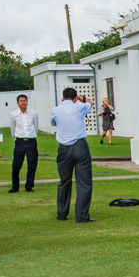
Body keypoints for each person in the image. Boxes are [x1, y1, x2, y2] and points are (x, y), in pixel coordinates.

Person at [52, 88, 95, 223]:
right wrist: (81, 98)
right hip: (79, 146)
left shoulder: (56, 110)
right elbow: (91, 103)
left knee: (64, 181)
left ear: (63, 97)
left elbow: (53, 123)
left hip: (64, 148)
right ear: (75, 98)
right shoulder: (80, 107)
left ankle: (62, 213)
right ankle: (82, 216)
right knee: (84, 182)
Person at [9, 94, 38, 193]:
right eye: (21, 101)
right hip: (20, 141)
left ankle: (29, 186)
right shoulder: (14, 114)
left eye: (25, 100)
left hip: (31, 141)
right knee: (16, 165)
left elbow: (36, 126)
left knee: (32, 164)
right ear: (18, 103)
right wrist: (16, 138)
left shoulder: (33, 113)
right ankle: (15, 186)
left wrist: (31, 136)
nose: (23, 102)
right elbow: (12, 128)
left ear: (27, 102)